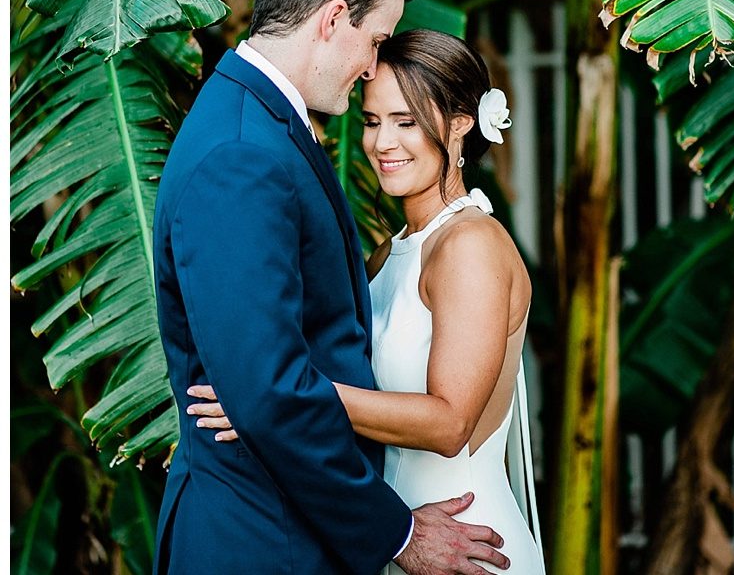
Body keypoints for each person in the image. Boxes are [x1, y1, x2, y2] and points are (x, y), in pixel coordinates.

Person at [151, 0, 510, 575]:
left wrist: (270, 393)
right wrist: (398, 534)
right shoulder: (242, 153)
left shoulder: (261, 128)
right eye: (375, 41)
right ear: (333, 19)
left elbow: (278, 380)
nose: (374, 65)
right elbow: (269, 390)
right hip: (261, 541)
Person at [189, 29, 547, 574]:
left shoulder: (470, 245)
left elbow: (450, 423)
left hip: (469, 546)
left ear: (459, 125)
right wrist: (262, 399)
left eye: (406, 123)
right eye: (374, 121)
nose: (382, 143)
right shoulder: (387, 254)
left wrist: (276, 399)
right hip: (404, 541)